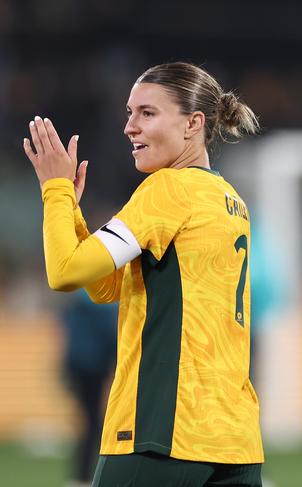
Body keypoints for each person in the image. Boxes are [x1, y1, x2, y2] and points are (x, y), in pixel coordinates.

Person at [23, 62, 264, 487]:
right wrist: (74, 217)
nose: (129, 127)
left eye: (147, 113)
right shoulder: (229, 199)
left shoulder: (168, 188)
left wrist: (55, 190)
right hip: (234, 437)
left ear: (193, 123)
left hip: (164, 430)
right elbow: (104, 286)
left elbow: (63, 273)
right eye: (129, 113)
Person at [59, 291, 117, 487]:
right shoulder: (100, 303)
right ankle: (84, 476)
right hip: (94, 367)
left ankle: (81, 475)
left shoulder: (75, 304)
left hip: (78, 366)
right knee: (93, 423)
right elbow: (108, 334)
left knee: (89, 422)